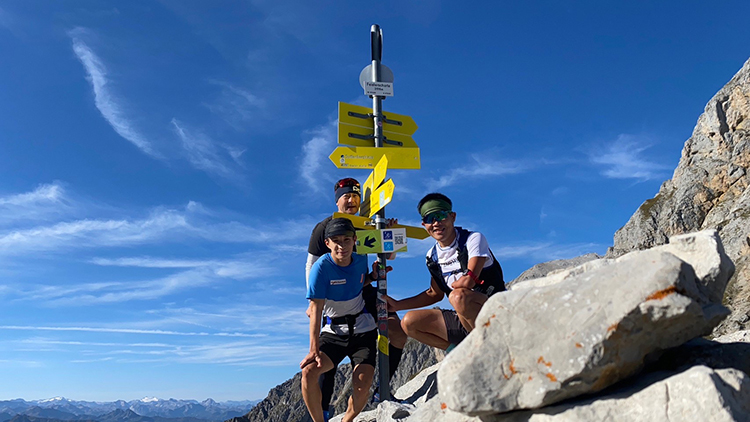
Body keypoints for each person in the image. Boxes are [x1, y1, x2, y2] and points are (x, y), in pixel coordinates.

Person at [305, 178, 405, 418]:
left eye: (355, 196)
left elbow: (388, 255)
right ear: (336, 199)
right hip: (331, 297)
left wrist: (388, 232)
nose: (351, 200)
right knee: (326, 357)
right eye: (346, 196)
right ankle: (324, 410)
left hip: (362, 290)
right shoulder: (323, 228)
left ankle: (382, 390)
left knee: (398, 332)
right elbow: (311, 265)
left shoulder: (367, 224)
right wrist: (313, 300)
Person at [385, 192, 505, 350]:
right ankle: (456, 352)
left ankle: (491, 348)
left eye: (440, 216)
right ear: (424, 225)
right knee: (409, 322)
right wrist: (397, 305)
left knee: (458, 296)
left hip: (496, 313)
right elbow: (434, 294)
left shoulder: (473, 239)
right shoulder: (431, 256)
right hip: (465, 320)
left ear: (452, 217)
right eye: (429, 219)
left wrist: (467, 278)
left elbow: (469, 280)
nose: (435, 223)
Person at [301, 218, 385, 422]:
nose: (342, 245)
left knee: (362, 384)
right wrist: (314, 349)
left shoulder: (360, 260)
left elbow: (357, 282)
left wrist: (372, 277)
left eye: (346, 240)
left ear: (354, 240)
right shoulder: (320, 269)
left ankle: (347, 420)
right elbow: (316, 309)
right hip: (334, 333)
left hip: (363, 330)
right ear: (327, 243)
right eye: (336, 240)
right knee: (309, 373)